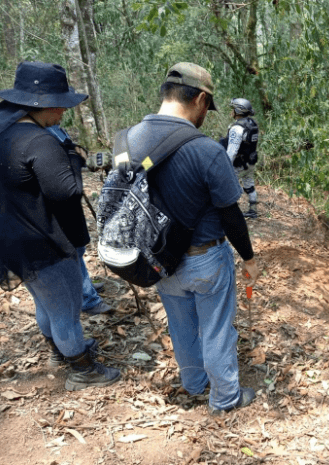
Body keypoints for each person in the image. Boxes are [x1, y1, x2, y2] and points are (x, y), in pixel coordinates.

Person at [119, 62, 259, 414]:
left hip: (159, 260)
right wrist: (250, 259)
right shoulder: (206, 150)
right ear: (198, 99)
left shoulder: (127, 141)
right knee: (216, 330)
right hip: (205, 259)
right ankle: (225, 398)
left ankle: (194, 384)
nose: (206, 117)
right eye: (206, 108)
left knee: (181, 327)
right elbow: (231, 215)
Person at [0, 61, 121, 389]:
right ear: (47, 104)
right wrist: (73, 157)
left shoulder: (7, 130)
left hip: (15, 243)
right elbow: (67, 190)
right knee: (66, 311)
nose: (63, 112)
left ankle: (59, 352)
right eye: (61, 105)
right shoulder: (39, 141)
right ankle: (83, 370)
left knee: (45, 302)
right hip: (47, 246)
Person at [46, 125, 112, 315]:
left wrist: (88, 159)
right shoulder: (40, 132)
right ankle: (87, 299)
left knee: (78, 248)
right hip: (58, 204)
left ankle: (85, 286)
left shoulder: (55, 127)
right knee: (72, 250)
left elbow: (71, 151)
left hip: (69, 201)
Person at [220, 98, 260, 218]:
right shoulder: (252, 124)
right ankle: (253, 211)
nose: (231, 112)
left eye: (233, 109)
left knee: (227, 187)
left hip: (238, 163)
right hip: (250, 161)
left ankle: (229, 214)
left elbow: (232, 151)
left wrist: (225, 166)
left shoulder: (236, 128)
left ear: (238, 111)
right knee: (249, 184)